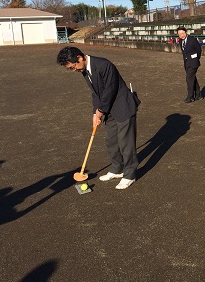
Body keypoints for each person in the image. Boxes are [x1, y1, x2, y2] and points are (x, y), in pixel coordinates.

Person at [56, 46, 141, 190]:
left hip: (123, 106)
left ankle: (129, 175)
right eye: (70, 69)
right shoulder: (85, 70)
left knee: (126, 143)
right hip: (109, 110)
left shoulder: (103, 65)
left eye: (73, 66)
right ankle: (117, 169)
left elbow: (110, 90)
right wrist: (95, 113)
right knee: (111, 141)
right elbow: (96, 93)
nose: (74, 70)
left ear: (79, 58)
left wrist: (100, 110)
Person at [177, 26, 202, 103]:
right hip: (186, 63)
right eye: (179, 34)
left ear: (185, 32)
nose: (181, 35)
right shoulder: (181, 41)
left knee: (189, 79)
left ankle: (190, 97)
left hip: (194, 63)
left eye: (182, 33)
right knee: (192, 78)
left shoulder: (192, 40)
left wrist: (195, 59)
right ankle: (198, 95)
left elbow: (199, 50)